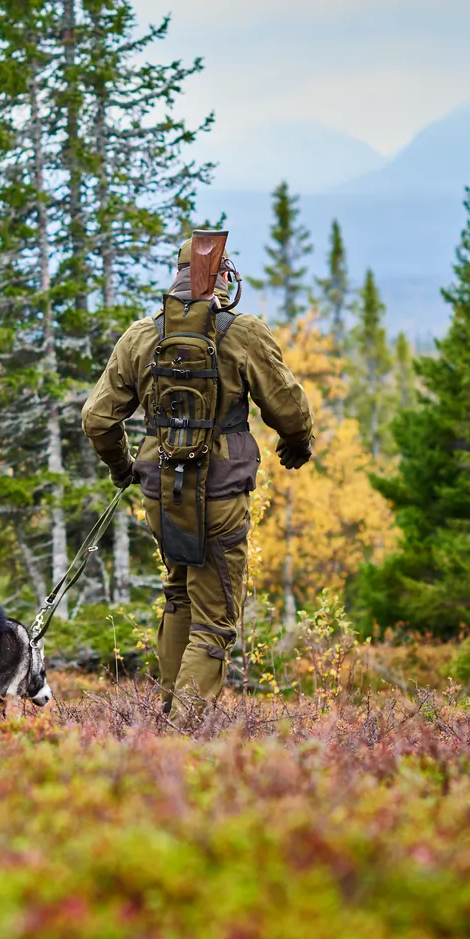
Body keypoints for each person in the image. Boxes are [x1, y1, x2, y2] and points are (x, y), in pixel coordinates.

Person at [81, 229, 314, 715]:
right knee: (214, 621)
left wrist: (123, 468)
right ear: (224, 278)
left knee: (179, 598)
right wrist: (297, 443)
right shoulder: (243, 332)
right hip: (222, 496)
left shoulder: (142, 336)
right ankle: (180, 736)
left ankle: (165, 717)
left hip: (161, 495)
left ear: (179, 276)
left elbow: (96, 419)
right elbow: (289, 410)